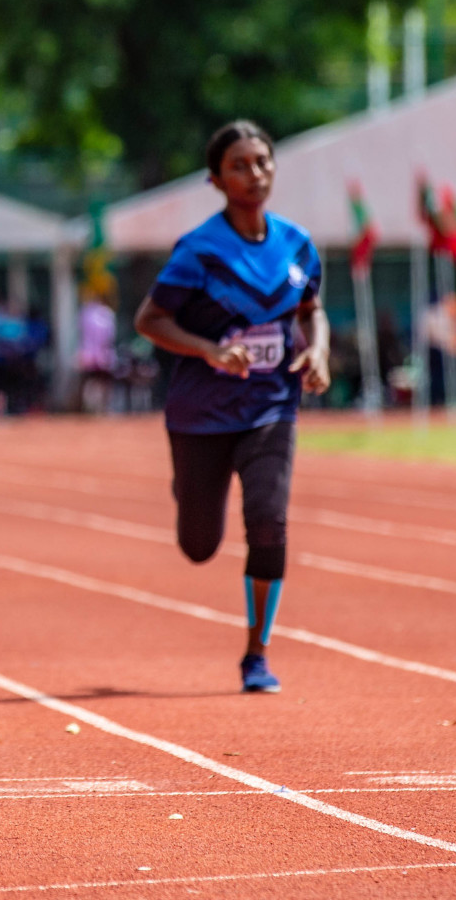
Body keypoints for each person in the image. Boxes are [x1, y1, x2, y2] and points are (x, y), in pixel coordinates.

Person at [133, 120, 329, 694]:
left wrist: (317, 349)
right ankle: (189, 490)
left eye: (262, 161)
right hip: (201, 414)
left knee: (268, 520)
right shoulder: (199, 251)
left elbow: (310, 308)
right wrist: (210, 351)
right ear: (216, 179)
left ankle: (256, 655)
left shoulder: (297, 244)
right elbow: (149, 319)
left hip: (272, 405)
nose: (255, 174)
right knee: (199, 545)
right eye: (239, 165)